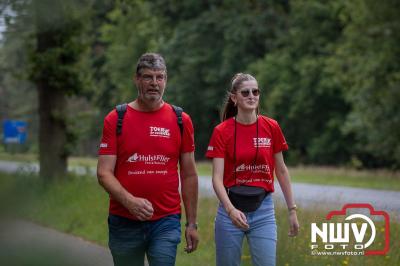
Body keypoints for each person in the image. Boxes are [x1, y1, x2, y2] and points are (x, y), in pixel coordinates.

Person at [97, 53, 199, 266]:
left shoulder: (181, 120)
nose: (154, 83)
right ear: (136, 79)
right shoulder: (116, 118)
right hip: (124, 221)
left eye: (159, 77)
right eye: (148, 77)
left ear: (166, 80)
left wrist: (192, 223)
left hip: (166, 221)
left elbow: (189, 174)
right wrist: (129, 202)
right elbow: (104, 173)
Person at [206, 73, 299, 266]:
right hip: (230, 210)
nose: (251, 96)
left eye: (255, 91)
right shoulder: (222, 131)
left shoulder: (271, 127)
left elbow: (281, 170)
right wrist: (231, 210)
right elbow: (216, 178)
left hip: (263, 210)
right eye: (245, 92)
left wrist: (292, 210)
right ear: (234, 98)